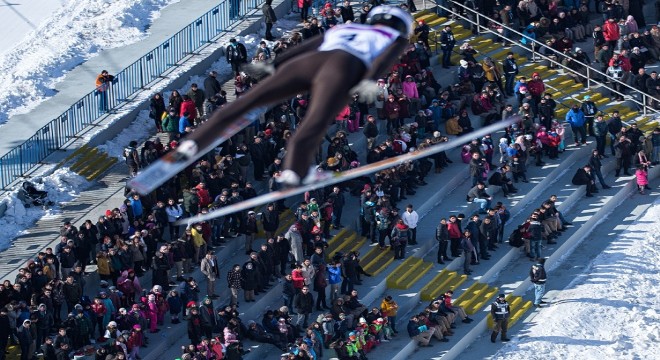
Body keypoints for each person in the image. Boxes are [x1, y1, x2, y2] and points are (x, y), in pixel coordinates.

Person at [172, 6, 413, 186]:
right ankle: (294, 170)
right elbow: (385, 58)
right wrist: (370, 79)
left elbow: (306, 46)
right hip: (343, 69)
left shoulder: (347, 26)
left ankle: (194, 141)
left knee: (247, 102)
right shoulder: (395, 38)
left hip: (306, 62)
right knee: (314, 122)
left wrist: (274, 64)